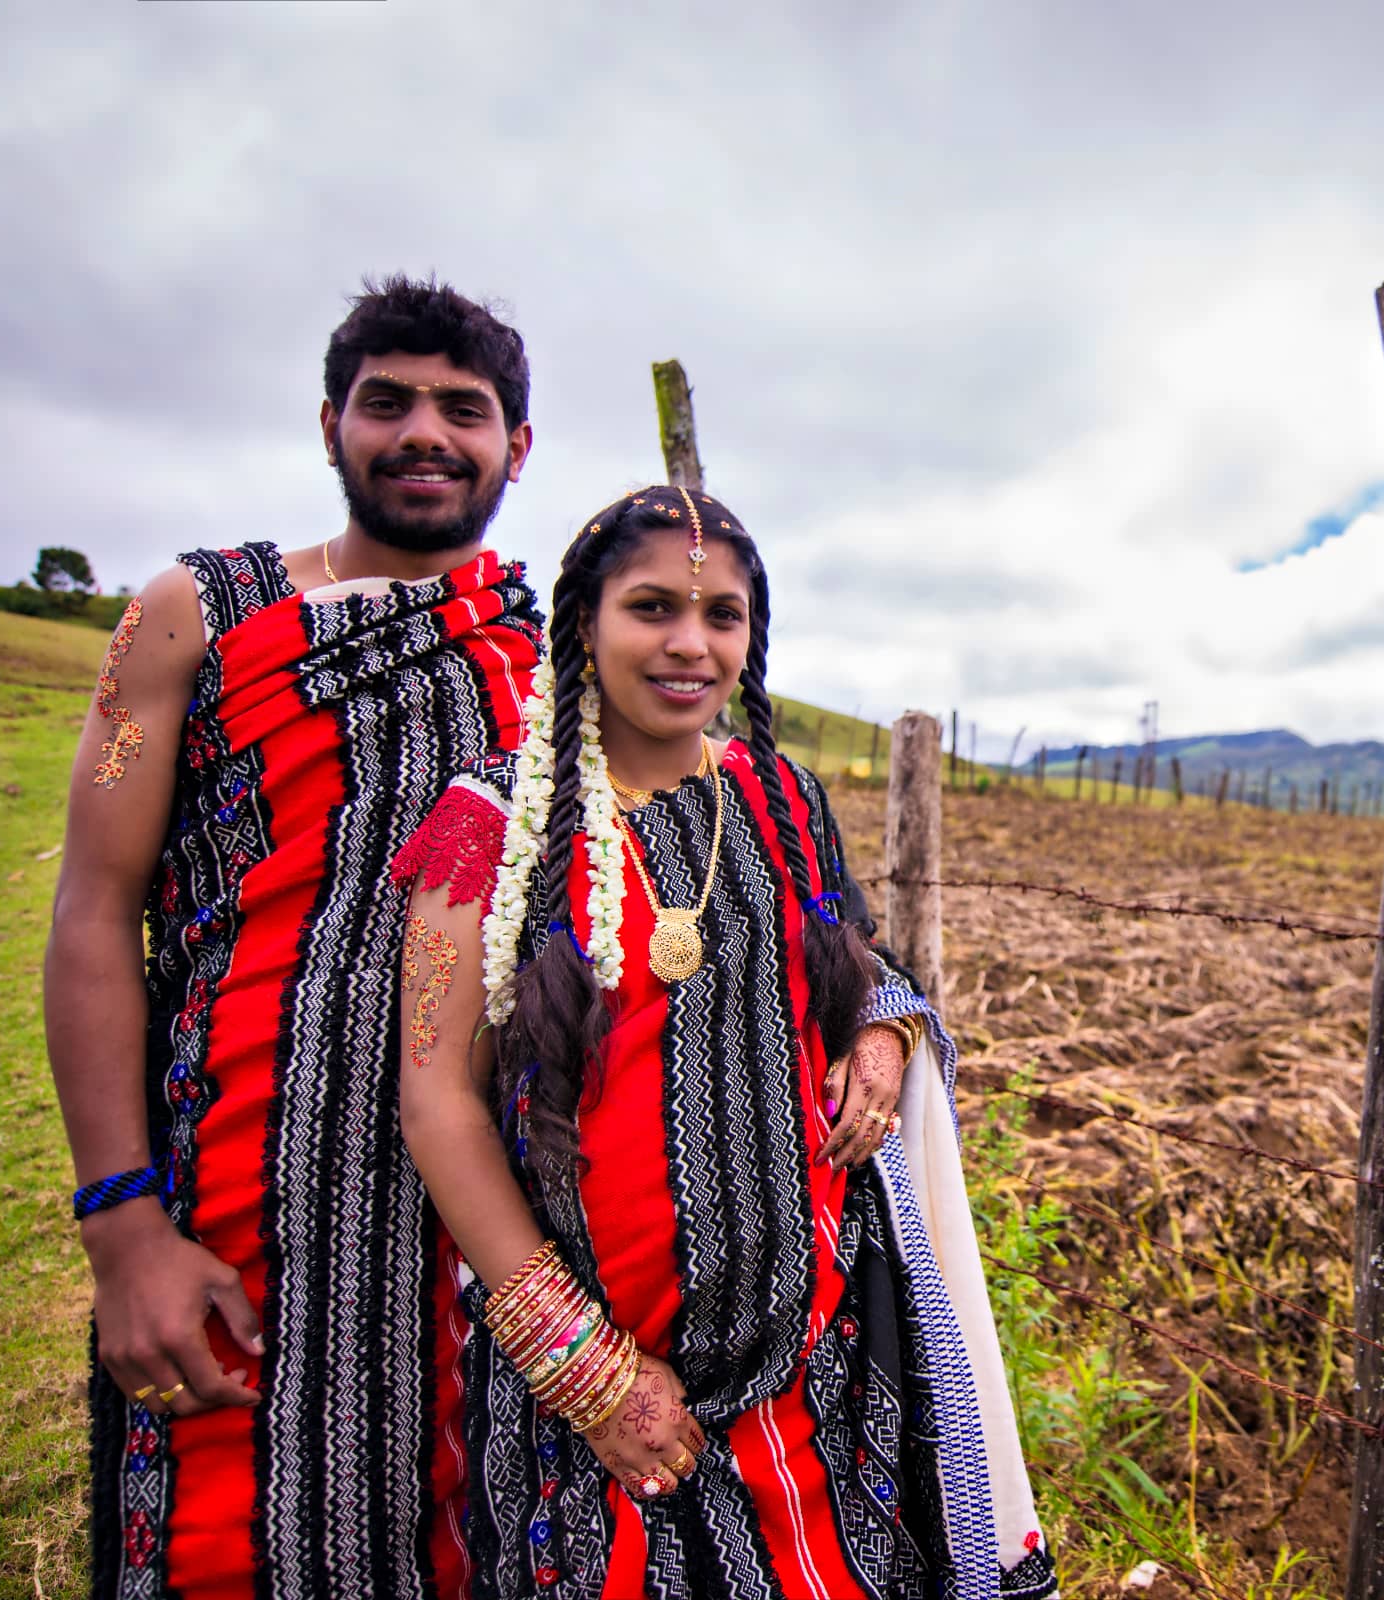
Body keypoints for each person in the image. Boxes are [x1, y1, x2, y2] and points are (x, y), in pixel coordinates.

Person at [392, 485, 1057, 1599]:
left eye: (723, 616)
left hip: (817, 1381)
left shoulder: (783, 799)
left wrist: (884, 1032)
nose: (690, 644)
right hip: (600, 1408)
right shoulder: (489, 830)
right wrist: (581, 1365)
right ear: (584, 622)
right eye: (652, 607)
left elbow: (851, 959)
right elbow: (437, 1101)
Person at [45, 276, 546, 1600]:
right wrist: (120, 1226)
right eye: (388, 402)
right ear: (331, 425)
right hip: (225, 1209)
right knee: (216, 1545)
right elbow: (92, 910)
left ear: (516, 446)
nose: (424, 432)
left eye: (463, 409)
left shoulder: (551, 668)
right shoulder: (188, 616)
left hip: (467, 1227)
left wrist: (885, 1019)